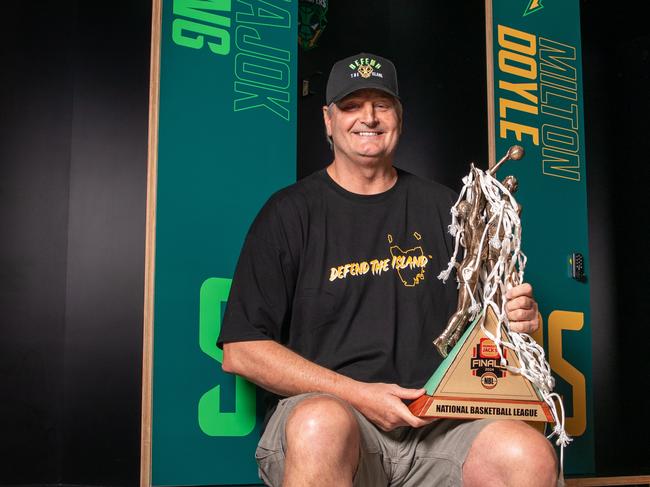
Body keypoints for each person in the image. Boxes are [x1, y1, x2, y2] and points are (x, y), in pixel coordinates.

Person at [218, 53, 558, 486]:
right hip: (339, 420)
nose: (369, 118)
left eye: (381, 104)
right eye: (352, 105)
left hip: (437, 426)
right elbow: (241, 350)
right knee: (320, 423)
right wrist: (358, 395)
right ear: (327, 120)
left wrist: (519, 323)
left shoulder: (449, 209)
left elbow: (486, 325)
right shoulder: (288, 213)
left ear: (399, 116)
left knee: (526, 454)